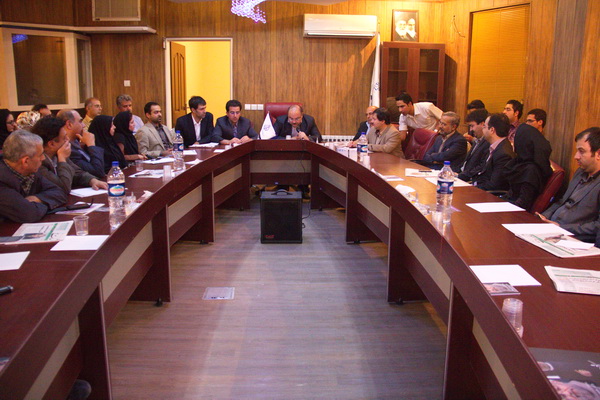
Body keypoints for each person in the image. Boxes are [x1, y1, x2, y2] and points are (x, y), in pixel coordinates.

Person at [539, 127, 599, 244]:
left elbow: (597, 226)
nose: (576, 156)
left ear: (598, 154)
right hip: (551, 231)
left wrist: (561, 227)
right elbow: (562, 201)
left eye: (581, 151)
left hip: (575, 239)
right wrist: (544, 217)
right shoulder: (580, 172)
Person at [0, 130, 67, 222]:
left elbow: (59, 192)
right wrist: (40, 204)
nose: (43, 158)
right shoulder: (2, 180)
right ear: (26, 161)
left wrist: (37, 199)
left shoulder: (30, 171)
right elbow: (29, 214)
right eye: (40, 155)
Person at [31, 117, 107, 194]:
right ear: (52, 144)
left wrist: (92, 181)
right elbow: (64, 188)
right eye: (64, 137)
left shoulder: (56, 154)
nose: (68, 139)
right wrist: (62, 160)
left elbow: (77, 173)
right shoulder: (39, 163)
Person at [503, 123, 552, 210]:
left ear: (523, 142)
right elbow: (511, 193)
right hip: (509, 205)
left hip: (516, 213)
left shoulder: (531, 170)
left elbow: (523, 203)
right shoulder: (520, 162)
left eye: (516, 139)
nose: (513, 142)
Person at [471, 113, 516, 191]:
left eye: (484, 126)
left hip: (488, 194)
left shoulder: (503, 154)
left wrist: (471, 189)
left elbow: (494, 185)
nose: (482, 129)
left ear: (492, 130)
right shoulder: (494, 147)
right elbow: (482, 170)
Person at [57, 109, 105, 179]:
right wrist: (91, 145)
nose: (84, 125)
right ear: (69, 124)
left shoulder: (76, 143)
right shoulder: (67, 149)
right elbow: (98, 172)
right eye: (80, 121)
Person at [458, 109, 490, 182]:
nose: (471, 130)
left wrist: (461, 176)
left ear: (482, 124)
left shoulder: (488, 143)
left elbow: (481, 166)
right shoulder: (477, 141)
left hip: (471, 181)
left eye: (472, 126)